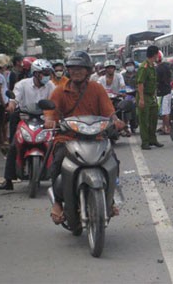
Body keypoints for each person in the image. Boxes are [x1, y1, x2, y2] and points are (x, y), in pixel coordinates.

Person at [44, 51, 125, 223]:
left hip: (96, 138)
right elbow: (50, 113)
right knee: (57, 161)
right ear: (68, 71)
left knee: (114, 163)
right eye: (73, 69)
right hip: (67, 138)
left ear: (88, 71)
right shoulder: (59, 91)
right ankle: (57, 203)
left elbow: (109, 111)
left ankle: (109, 200)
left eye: (80, 69)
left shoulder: (96, 89)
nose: (76, 72)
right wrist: (50, 120)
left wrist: (116, 121)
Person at [0, 59, 56, 190]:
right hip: (24, 117)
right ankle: (8, 180)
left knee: (56, 144)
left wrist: (52, 116)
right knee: (14, 145)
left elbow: (55, 101)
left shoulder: (51, 86)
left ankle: (59, 177)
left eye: (48, 73)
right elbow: (14, 98)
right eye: (45, 73)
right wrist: (11, 105)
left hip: (45, 118)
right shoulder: (22, 84)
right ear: (36, 73)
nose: (48, 76)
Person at [136, 45, 164, 150]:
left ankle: (153, 139)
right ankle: (145, 142)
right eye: (157, 54)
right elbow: (140, 83)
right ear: (155, 54)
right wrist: (142, 99)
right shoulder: (144, 67)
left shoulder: (152, 67)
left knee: (154, 119)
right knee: (144, 121)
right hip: (144, 96)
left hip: (152, 97)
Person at [156, 51, 173, 135]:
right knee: (164, 111)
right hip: (167, 91)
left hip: (163, 92)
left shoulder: (159, 68)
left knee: (165, 111)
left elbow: (157, 81)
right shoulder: (166, 66)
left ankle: (167, 128)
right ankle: (164, 127)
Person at [121, 58, 138, 133]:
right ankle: (125, 125)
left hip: (136, 94)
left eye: (130, 65)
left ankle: (134, 123)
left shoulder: (138, 74)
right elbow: (121, 85)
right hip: (126, 94)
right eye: (127, 65)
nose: (129, 66)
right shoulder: (123, 75)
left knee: (134, 106)